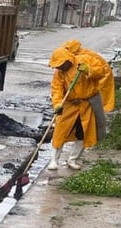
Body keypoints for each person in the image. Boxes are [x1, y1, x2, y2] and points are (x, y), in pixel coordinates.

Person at [47, 40, 115, 170]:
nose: (60, 68)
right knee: (60, 132)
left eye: (61, 65)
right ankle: (53, 160)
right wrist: (57, 103)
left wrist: (88, 70)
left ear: (68, 60)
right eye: (58, 66)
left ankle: (73, 160)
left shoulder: (85, 60)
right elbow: (56, 89)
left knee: (83, 133)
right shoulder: (59, 73)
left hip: (86, 105)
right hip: (69, 105)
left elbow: (101, 72)